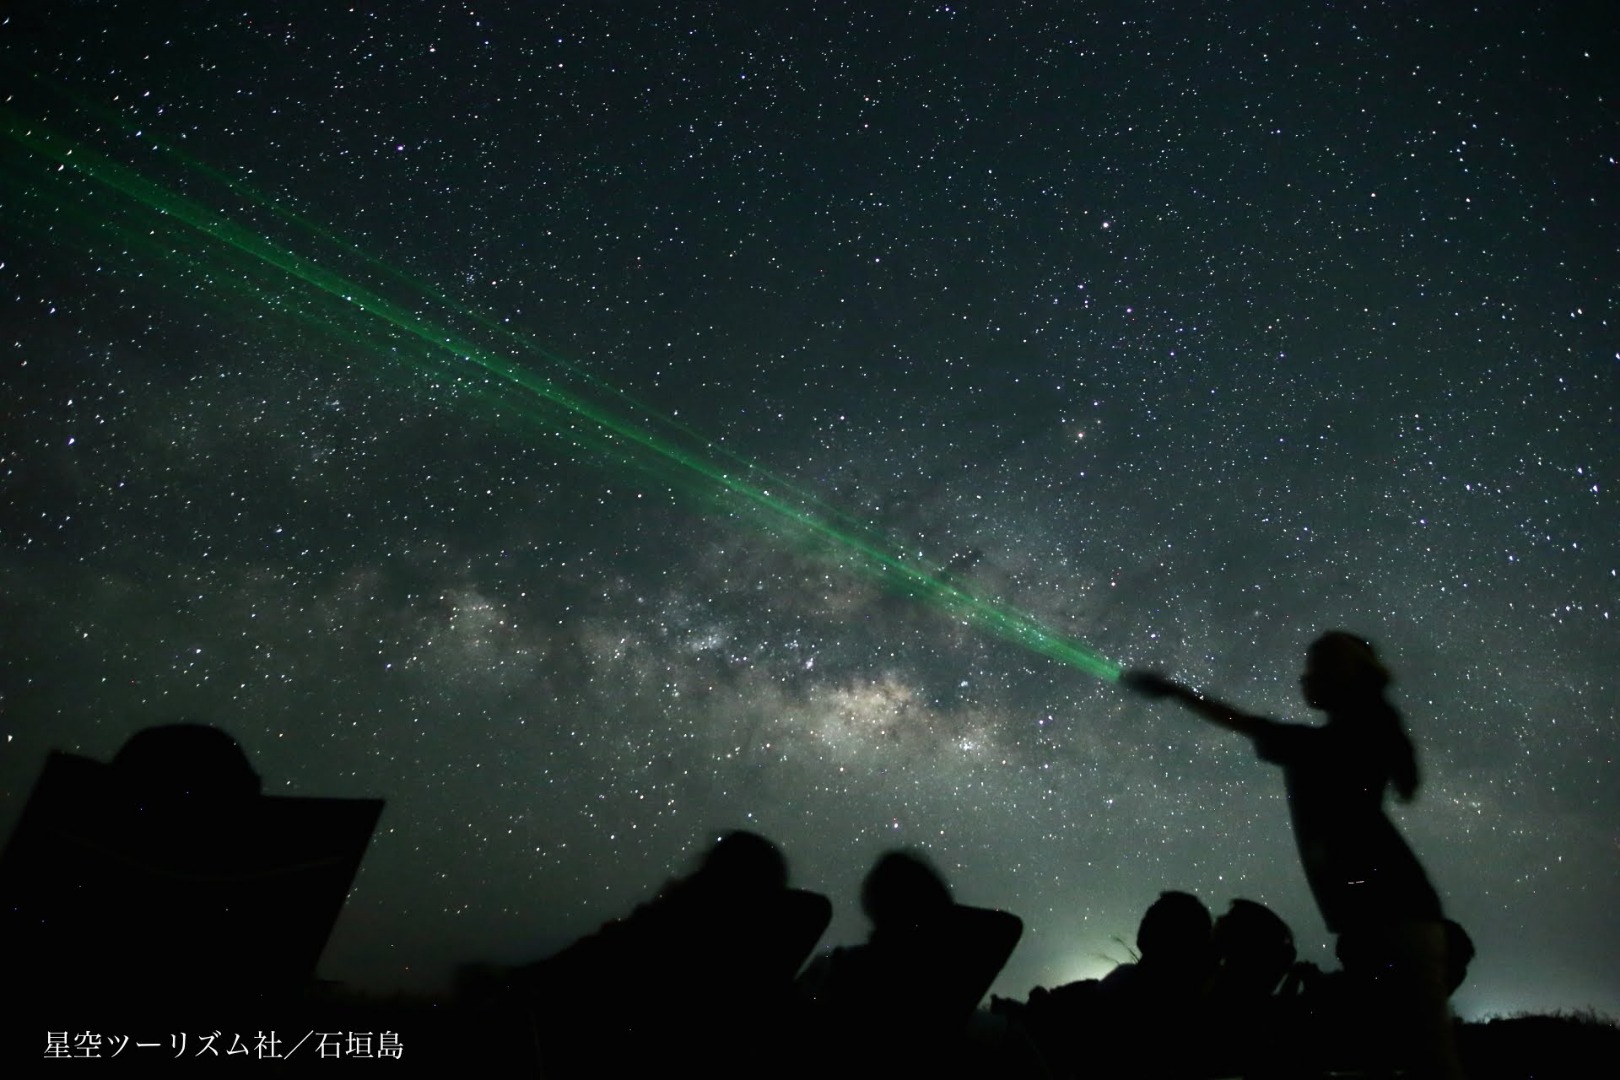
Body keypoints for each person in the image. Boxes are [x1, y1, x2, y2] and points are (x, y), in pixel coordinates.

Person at [1123, 632, 1465, 1079]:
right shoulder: (1366, 733)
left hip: (1389, 918)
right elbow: (1407, 783)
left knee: (1420, 1060)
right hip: (1389, 915)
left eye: (1318, 667)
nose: (1305, 678)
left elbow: (1241, 722)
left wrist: (1175, 692)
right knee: (1414, 1056)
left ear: (1348, 677)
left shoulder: (1323, 745)